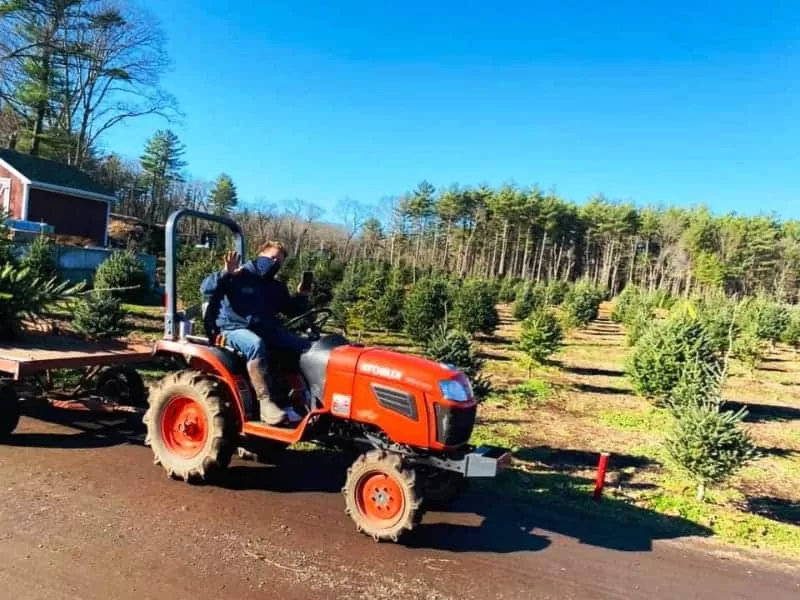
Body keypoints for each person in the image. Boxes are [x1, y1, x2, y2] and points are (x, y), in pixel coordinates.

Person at [200, 240, 312, 426]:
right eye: (272, 258)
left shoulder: (276, 287)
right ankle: (265, 402)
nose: (275, 264)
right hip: (232, 328)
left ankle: (303, 398)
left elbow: (292, 310)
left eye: (279, 261)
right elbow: (206, 288)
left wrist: (302, 296)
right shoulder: (237, 274)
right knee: (255, 344)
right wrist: (225, 272)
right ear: (260, 254)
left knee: (305, 346)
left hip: (266, 330)